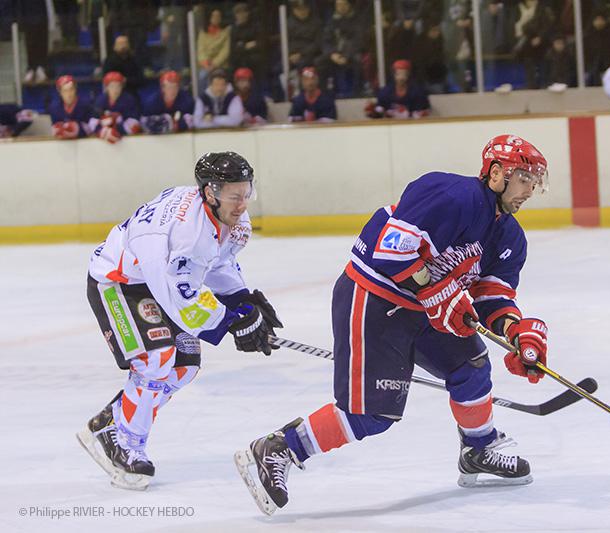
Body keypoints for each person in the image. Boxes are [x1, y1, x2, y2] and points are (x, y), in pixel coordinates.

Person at [235, 134, 552, 515]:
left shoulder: (510, 237)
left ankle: (478, 449)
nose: (529, 190)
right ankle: (280, 448)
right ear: (497, 174)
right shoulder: (451, 194)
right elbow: (391, 250)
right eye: (523, 179)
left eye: (535, 182)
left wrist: (516, 331)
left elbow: (491, 299)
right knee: (372, 414)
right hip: (375, 296)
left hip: (424, 309)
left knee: (470, 366)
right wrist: (436, 290)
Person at [77, 152, 283, 490]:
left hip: (155, 282)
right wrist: (229, 322)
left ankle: (112, 422)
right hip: (116, 281)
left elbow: (216, 263)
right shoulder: (185, 231)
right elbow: (178, 297)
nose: (243, 204)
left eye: (246, 193)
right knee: (155, 358)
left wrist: (241, 300)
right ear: (210, 193)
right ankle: (125, 443)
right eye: (235, 196)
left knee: (184, 365)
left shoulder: (227, 217)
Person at [93, 71, 141, 144]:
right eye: (112, 86)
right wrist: (102, 131)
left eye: (118, 86)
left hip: (125, 140)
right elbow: (93, 121)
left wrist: (118, 130)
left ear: (122, 86)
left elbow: (134, 122)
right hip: (104, 138)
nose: (115, 89)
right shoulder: (100, 101)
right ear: (107, 87)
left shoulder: (129, 100)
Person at [49, 75, 95, 140]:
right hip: (63, 144)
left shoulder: (86, 106)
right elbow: (55, 128)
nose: (69, 94)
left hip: (84, 143)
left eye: (71, 89)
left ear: (75, 90)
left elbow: (93, 128)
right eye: (65, 91)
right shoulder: (54, 108)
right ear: (60, 93)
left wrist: (78, 130)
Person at [197, 8, 231, 90]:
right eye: (214, 16)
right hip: (206, 65)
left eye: (218, 16)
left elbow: (225, 51)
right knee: (202, 76)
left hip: (220, 65)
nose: (216, 18)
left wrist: (214, 64)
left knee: (218, 79)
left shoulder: (226, 31)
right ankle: (203, 97)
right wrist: (206, 64)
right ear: (209, 17)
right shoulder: (203, 32)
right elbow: (200, 50)